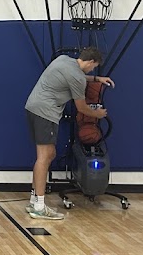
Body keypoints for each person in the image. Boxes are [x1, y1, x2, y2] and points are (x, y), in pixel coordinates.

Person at [23, 46, 114, 220]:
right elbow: (82, 108)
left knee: (48, 154)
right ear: (90, 61)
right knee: (44, 156)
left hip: (33, 108)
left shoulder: (64, 60)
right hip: (46, 112)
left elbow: (77, 77)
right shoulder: (77, 78)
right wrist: (99, 114)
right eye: (93, 67)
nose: (92, 69)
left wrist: (96, 78)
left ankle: (35, 200)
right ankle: (39, 207)